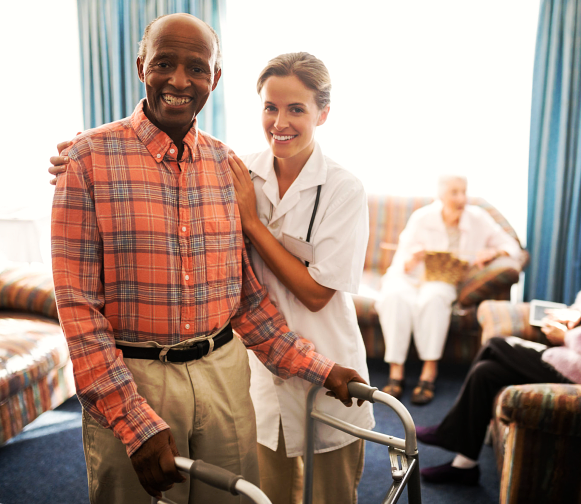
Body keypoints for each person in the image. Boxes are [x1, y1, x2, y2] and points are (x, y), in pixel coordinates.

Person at [49, 14, 365, 504]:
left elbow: (244, 300)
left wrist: (322, 369)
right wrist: (132, 420)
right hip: (136, 376)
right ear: (140, 66)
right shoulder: (87, 160)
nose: (179, 80)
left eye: (196, 68)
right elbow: (77, 312)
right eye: (164, 63)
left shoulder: (225, 167)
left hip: (225, 374)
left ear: (214, 78)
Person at [228, 52, 374, 504]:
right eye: (271, 107)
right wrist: (80, 156)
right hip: (258, 371)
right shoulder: (238, 172)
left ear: (322, 114)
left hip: (329, 370)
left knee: (331, 496)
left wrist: (253, 224)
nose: (280, 122)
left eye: (296, 109)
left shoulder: (342, 189)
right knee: (265, 495)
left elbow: (314, 293)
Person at [416, 279, 581, 484]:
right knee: (485, 372)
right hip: (576, 359)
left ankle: (450, 431)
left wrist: (566, 336)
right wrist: (577, 311)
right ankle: (465, 465)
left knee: (495, 344)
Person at [375, 175, 522, 405]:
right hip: (410, 277)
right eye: (454, 192)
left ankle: (428, 372)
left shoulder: (478, 218)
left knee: (434, 299)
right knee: (394, 297)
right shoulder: (422, 218)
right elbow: (401, 261)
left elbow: (513, 247)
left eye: (464, 191)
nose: (461, 198)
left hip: (443, 279)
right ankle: (396, 372)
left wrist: (492, 253)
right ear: (440, 194)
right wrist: (413, 258)